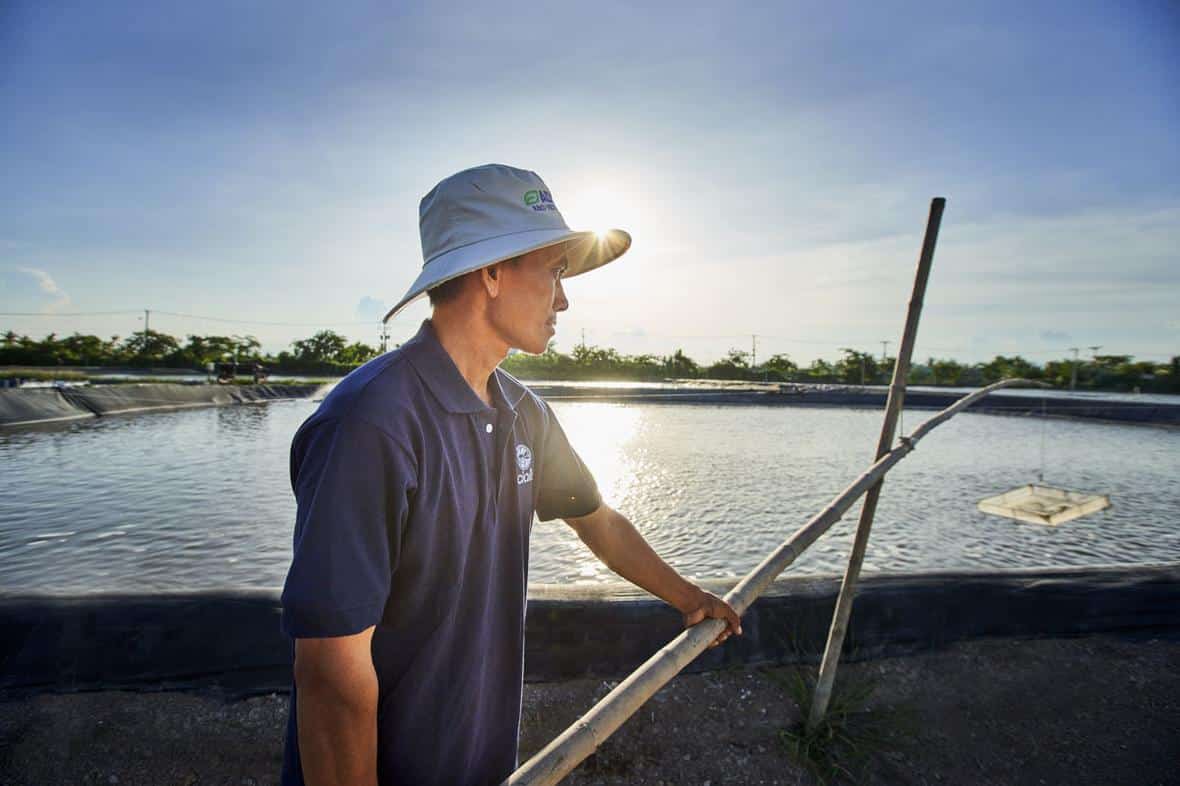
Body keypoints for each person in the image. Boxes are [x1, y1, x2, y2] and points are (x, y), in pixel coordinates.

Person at [279, 164, 742, 786]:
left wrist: (690, 599)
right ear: (491, 273)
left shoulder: (525, 411)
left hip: (479, 752)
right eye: (554, 271)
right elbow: (331, 667)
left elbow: (597, 521)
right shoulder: (372, 423)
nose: (564, 298)